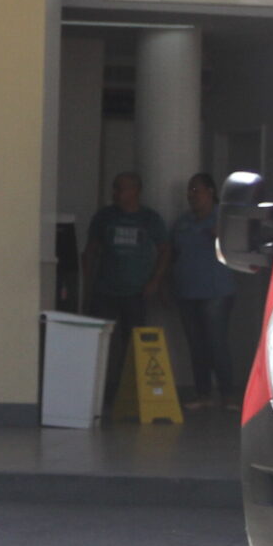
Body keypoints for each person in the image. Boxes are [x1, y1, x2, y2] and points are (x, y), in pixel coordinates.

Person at [83, 171, 171, 414]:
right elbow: (90, 250)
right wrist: (87, 284)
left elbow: (165, 250)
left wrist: (156, 281)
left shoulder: (150, 219)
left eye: (121, 188)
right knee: (99, 344)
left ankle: (124, 397)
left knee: (132, 346)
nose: (116, 193)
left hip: (135, 292)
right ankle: (93, 394)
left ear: (136, 191)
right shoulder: (104, 217)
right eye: (114, 188)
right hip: (104, 290)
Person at [170, 173, 241, 408]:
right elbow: (173, 253)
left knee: (216, 343)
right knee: (196, 344)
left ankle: (228, 394)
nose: (192, 195)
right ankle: (203, 394)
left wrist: (221, 236)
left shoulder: (223, 217)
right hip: (187, 290)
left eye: (196, 190)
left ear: (210, 191)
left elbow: (240, 244)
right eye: (189, 191)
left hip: (216, 291)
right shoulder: (183, 222)